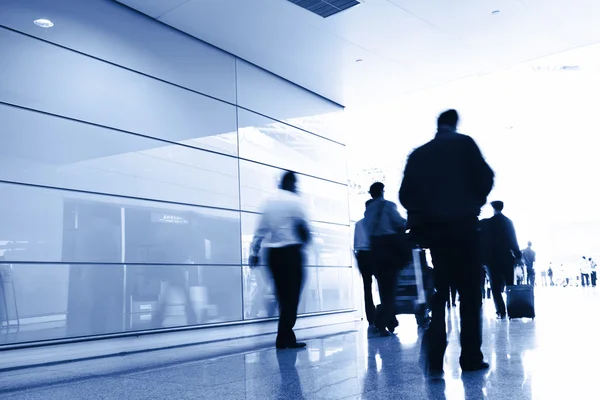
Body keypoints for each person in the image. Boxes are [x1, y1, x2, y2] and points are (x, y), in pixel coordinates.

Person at [400, 109, 494, 376]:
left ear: (438, 125)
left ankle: (435, 356)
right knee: (470, 293)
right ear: (454, 124)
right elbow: (486, 178)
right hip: (464, 229)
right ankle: (471, 357)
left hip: (435, 236)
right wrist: (473, 202)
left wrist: (426, 213)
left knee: (439, 293)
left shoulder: (419, 154)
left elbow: (405, 195)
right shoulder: (465, 144)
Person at [249, 171, 311, 349]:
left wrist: (254, 253)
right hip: (291, 253)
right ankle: (284, 337)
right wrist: (306, 243)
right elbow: (303, 228)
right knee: (292, 297)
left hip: (273, 255)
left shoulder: (268, 203)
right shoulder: (295, 201)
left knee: (282, 295)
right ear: (292, 184)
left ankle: (284, 337)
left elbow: (260, 231)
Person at [364, 182, 407, 336]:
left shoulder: (368, 210)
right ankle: (381, 321)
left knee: (383, 288)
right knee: (391, 290)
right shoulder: (388, 206)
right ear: (382, 192)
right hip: (389, 251)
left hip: (375, 252)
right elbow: (400, 223)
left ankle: (390, 321)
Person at [480, 201, 522, 319]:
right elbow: (513, 240)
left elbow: (482, 241)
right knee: (510, 286)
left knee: (495, 287)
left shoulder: (488, 223)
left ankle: (501, 311)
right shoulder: (508, 222)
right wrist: (517, 255)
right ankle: (512, 310)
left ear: (493, 209)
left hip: (492, 260)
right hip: (507, 258)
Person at [354, 200, 377, 328]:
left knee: (367, 289)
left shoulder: (358, 224)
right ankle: (386, 317)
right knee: (384, 287)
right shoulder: (375, 223)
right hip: (375, 254)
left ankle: (371, 319)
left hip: (362, 256)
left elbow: (356, 244)